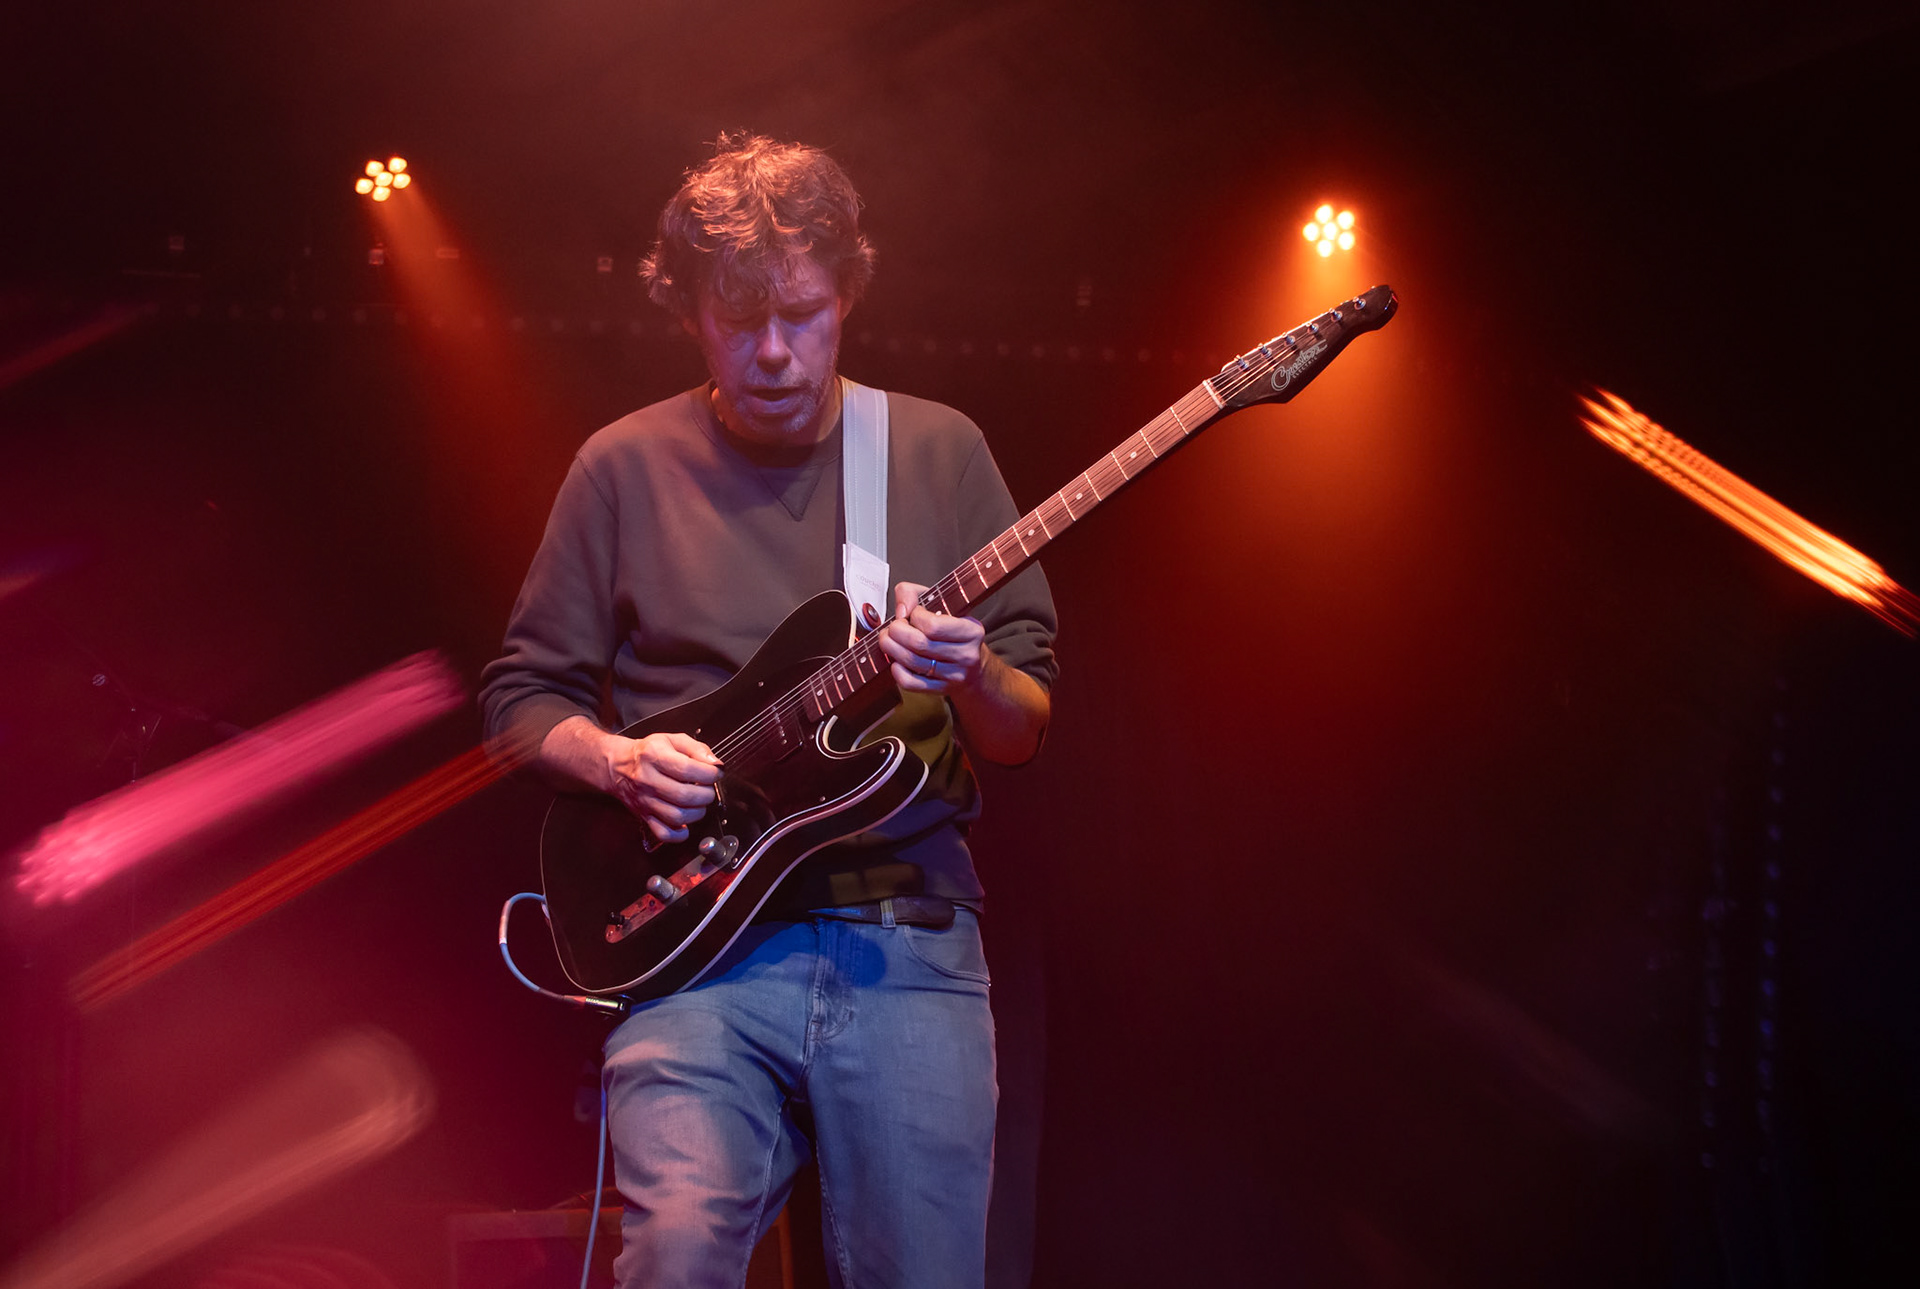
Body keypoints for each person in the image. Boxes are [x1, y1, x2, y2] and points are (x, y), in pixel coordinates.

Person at [479, 134, 1058, 1289]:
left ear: (846, 296)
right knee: (678, 1252)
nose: (776, 351)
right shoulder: (620, 467)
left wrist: (971, 673)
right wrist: (614, 757)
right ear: (689, 313)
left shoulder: (936, 449)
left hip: (905, 933)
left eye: (802, 314)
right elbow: (520, 697)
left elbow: (1021, 727)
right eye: (740, 321)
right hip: (694, 947)